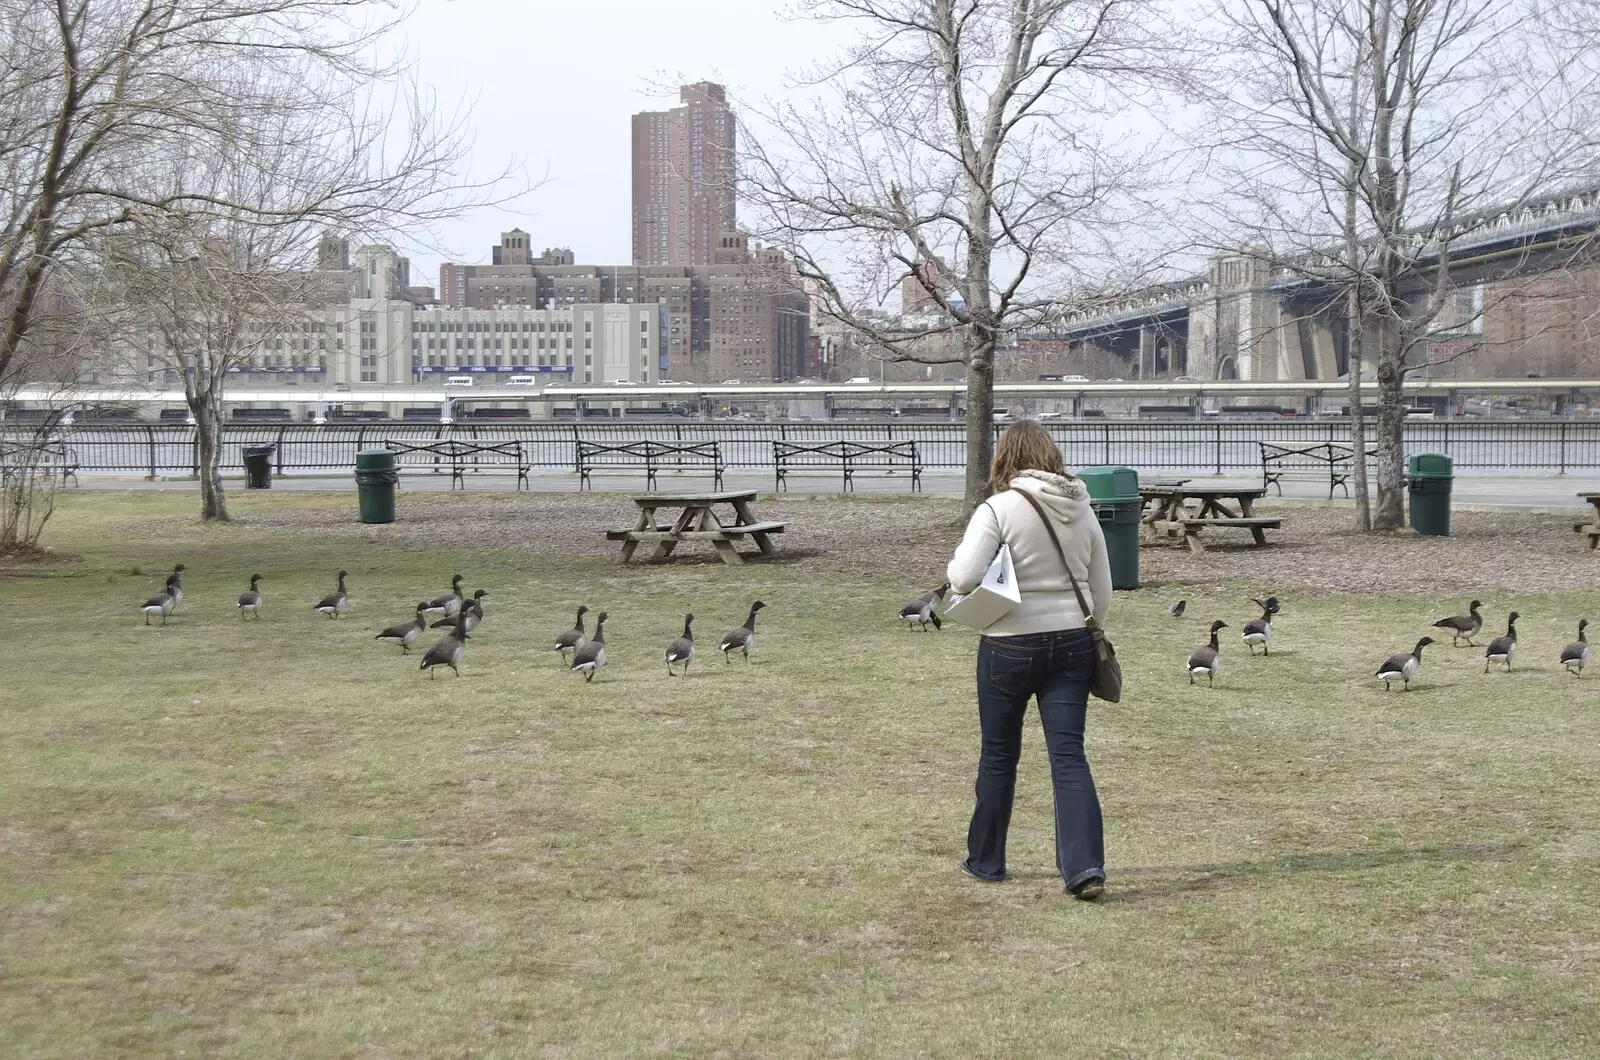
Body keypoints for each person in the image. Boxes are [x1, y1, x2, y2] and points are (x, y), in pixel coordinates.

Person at [947, 419, 1113, 900]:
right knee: (1069, 756)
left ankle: (987, 861)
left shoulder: (999, 508)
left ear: (1006, 456)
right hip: (1074, 642)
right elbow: (1101, 592)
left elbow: (962, 579)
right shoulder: (1083, 508)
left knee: (999, 755)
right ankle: (1084, 868)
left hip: (1010, 642)